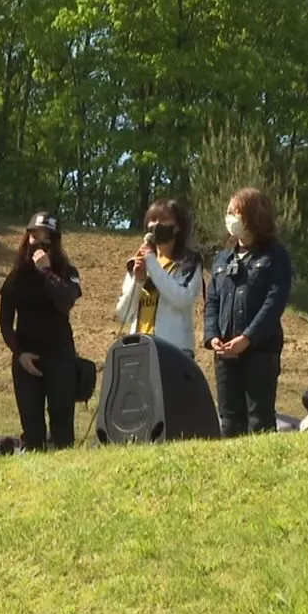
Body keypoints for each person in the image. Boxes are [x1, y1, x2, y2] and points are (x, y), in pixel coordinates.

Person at [204, 187, 293, 437]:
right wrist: (213, 338)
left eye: (236, 212)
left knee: (259, 419)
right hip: (225, 354)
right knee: (229, 421)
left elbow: (274, 302)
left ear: (253, 215)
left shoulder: (275, 256)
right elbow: (212, 301)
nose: (230, 217)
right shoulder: (222, 259)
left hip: (260, 352)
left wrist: (247, 339)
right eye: (228, 212)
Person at [0, 212, 83, 451]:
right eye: (34, 237)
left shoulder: (68, 273)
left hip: (60, 355)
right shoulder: (16, 278)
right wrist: (20, 353)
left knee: (62, 424)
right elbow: (5, 323)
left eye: (46, 241)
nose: (39, 245)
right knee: (32, 428)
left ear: (56, 244)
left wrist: (46, 272)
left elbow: (66, 300)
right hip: (26, 357)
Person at [114, 199, 203, 355]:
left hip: (174, 351)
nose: (156, 225)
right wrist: (138, 281)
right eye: (152, 220)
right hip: (139, 350)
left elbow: (182, 299)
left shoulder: (188, 262)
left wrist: (152, 264)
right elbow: (124, 314)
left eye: (163, 220)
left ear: (177, 227)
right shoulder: (138, 264)